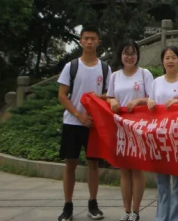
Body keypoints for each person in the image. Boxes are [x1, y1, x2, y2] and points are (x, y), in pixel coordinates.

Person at [57, 25, 111, 221]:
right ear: (80, 41)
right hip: (73, 122)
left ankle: (93, 204)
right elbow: (62, 95)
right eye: (86, 38)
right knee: (70, 164)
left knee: (93, 165)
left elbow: (109, 95)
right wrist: (78, 115)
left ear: (98, 42)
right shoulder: (71, 66)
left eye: (93, 38)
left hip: (93, 125)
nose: (89, 42)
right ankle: (68, 206)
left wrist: (99, 98)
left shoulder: (104, 68)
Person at [107, 40, 155, 221]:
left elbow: (153, 98)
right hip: (120, 127)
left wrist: (138, 101)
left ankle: (136, 211)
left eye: (133, 53)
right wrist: (112, 101)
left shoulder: (144, 74)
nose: (129, 57)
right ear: (120, 55)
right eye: (126, 53)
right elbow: (109, 96)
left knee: (136, 168)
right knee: (124, 169)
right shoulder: (115, 76)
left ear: (137, 55)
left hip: (139, 126)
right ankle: (126, 210)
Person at [146, 46, 178, 221]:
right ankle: (161, 217)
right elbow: (151, 100)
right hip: (159, 137)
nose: (170, 61)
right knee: (162, 182)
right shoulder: (156, 82)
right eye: (167, 58)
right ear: (162, 61)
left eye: (173, 57)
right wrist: (149, 101)